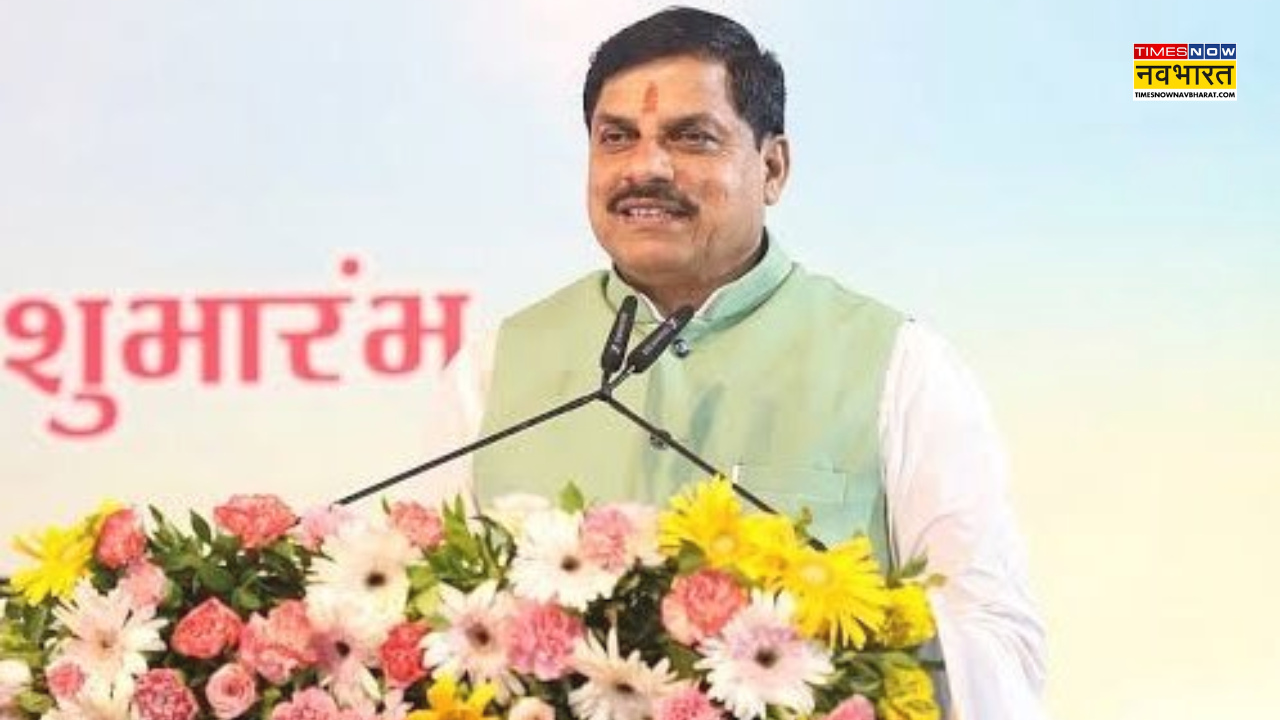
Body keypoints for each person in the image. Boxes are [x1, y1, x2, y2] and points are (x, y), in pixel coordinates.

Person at [421, 7, 1047, 719]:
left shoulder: (900, 366)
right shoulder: (492, 369)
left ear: (772, 167)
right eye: (616, 138)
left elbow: (998, 642)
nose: (645, 168)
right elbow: (426, 623)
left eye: (692, 137)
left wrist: (811, 654)